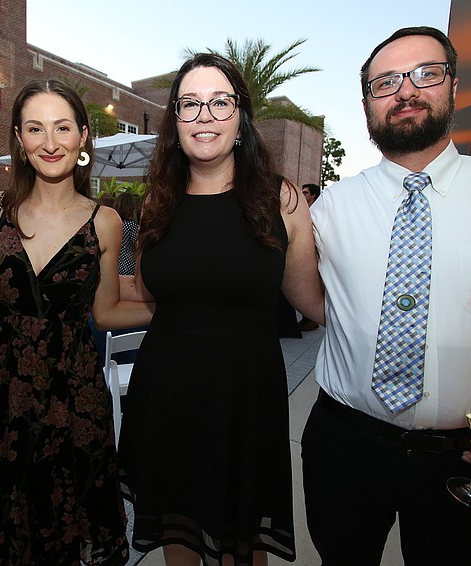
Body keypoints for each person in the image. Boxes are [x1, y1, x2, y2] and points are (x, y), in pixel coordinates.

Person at [303, 26, 471, 565]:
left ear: (452, 86)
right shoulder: (330, 207)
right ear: (366, 105)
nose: (405, 90)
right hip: (346, 447)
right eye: (385, 82)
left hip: (467, 458)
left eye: (425, 73)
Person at [117, 53, 324, 566]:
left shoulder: (281, 201)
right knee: (178, 531)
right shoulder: (156, 201)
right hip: (166, 392)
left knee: (241, 541)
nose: (204, 115)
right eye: (190, 104)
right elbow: (147, 289)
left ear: (241, 117)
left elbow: (314, 303)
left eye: (219, 102)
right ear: (175, 121)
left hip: (244, 397)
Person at [0, 78, 153, 565]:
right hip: (3, 393)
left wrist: (178, 309)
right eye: (35, 128)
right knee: (9, 522)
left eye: (62, 128)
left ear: (83, 137)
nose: (49, 143)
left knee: (68, 521)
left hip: (75, 393)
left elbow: (107, 311)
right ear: (20, 139)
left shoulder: (105, 220)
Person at [297, 183, 321, 331]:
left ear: (313, 195)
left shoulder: (317, 212)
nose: (302, 194)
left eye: (305, 193)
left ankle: (311, 319)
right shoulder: (304, 210)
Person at [113, 191, 139, 275]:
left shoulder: (114, 223)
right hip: (129, 263)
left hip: (115, 263)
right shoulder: (131, 225)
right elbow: (137, 244)